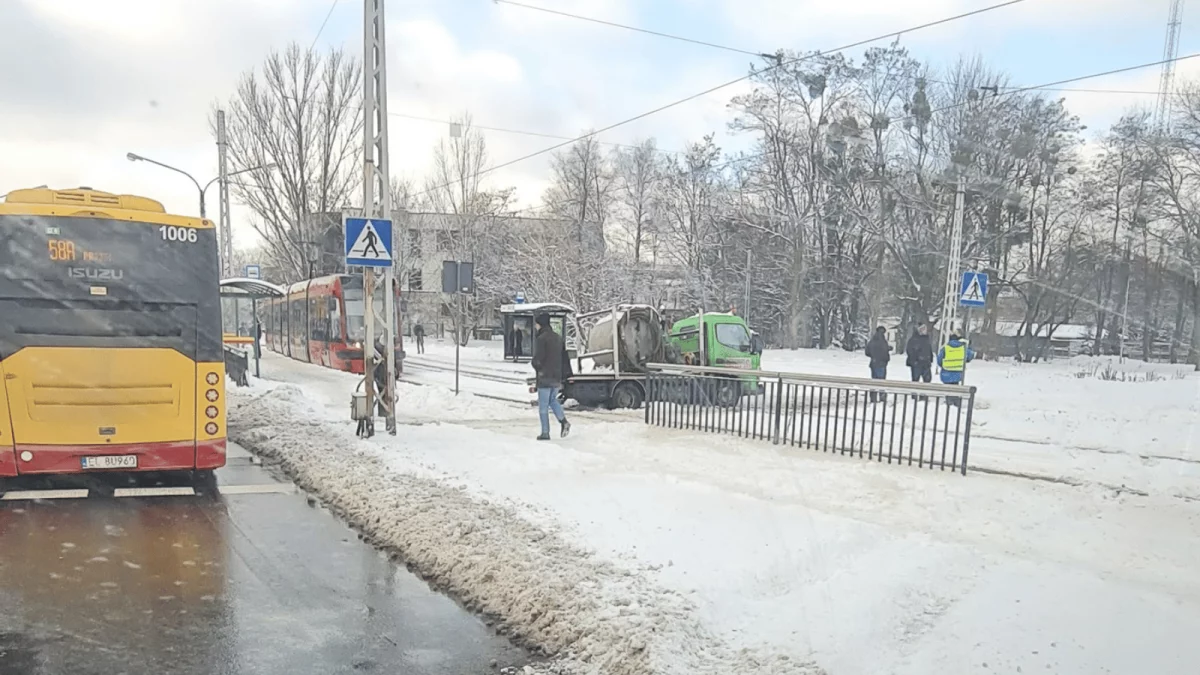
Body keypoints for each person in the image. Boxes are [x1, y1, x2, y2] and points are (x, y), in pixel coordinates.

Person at [531, 312, 570, 440]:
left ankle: (545, 432)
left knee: (543, 405)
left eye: (536, 324)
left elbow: (539, 359)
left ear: (540, 324)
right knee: (552, 400)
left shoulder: (541, 339)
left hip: (545, 376)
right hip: (556, 377)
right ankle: (564, 421)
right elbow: (565, 358)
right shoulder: (558, 338)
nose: (535, 326)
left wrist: (535, 364)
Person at [937, 331, 977, 407]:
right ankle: (956, 402)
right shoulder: (963, 348)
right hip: (958, 373)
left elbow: (939, 360)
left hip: (946, 373)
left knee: (948, 389)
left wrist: (943, 365)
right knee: (956, 388)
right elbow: (971, 354)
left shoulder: (945, 348)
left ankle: (949, 403)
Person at [864, 326, 892, 402]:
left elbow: (867, 352)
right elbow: (885, 352)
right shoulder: (883, 342)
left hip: (874, 363)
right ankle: (882, 396)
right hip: (882, 364)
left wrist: (873, 356)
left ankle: (873, 397)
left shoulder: (872, 341)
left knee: (874, 380)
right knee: (881, 381)